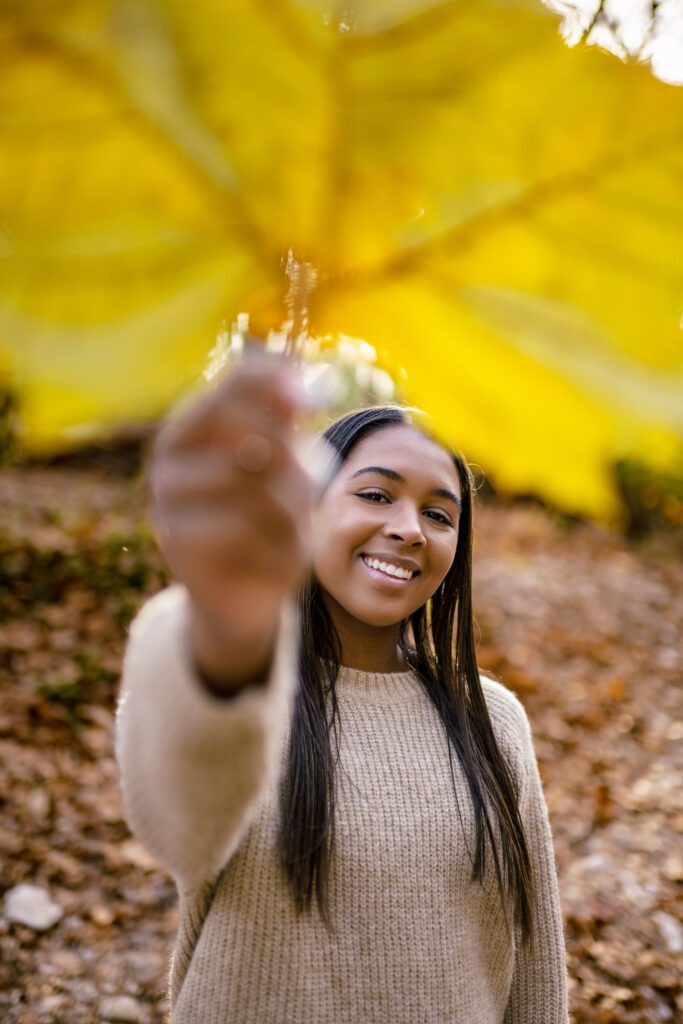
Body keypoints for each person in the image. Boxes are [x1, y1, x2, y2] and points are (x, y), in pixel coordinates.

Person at [116, 355, 569, 1024]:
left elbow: (534, 967)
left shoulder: (492, 719)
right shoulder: (239, 689)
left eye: (439, 515)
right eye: (376, 494)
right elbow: (171, 820)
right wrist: (225, 628)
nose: (409, 529)